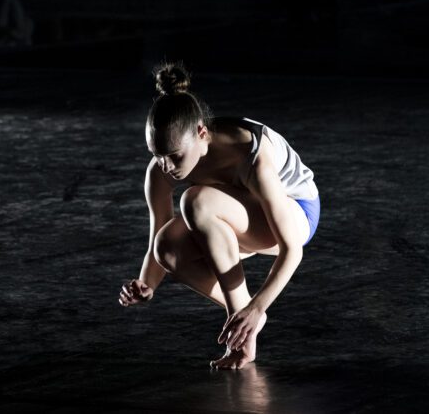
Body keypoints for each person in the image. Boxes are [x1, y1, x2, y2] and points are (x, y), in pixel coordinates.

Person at [118, 61, 320, 370]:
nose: (167, 166)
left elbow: (292, 249)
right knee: (166, 248)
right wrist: (146, 285)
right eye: (157, 156)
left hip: (297, 214)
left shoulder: (251, 155)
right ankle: (242, 330)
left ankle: (246, 317)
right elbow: (157, 238)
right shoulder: (161, 168)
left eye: (175, 156)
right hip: (236, 215)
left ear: (201, 133)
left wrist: (259, 305)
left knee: (196, 201)